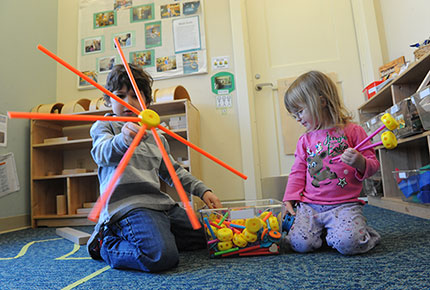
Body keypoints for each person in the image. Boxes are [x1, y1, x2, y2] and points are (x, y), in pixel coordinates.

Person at [87, 64, 222, 272]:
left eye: (135, 96)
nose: (127, 103)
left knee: (213, 236)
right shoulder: (104, 127)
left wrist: (203, 190)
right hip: (128, 208)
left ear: (146, 103)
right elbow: (101, 153)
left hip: (162, 207)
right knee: (160, 256)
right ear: (108, 100)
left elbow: (174, 173)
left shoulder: (156, 135)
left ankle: (159, 234)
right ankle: (107, 243)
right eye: (120, 95)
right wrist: (123, 140)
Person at [282, 70, 381, 255]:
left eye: (300, 111)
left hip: (344, 205)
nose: (297, 118)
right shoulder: (305, 140)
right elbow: (297, 172)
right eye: (294, 114)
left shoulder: (353, 131)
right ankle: (330, 234)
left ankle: (364, 233)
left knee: (349, 244)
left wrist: (360, 162)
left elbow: (373, 165)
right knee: (298, 244)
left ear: (322, 101)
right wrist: (289, 198)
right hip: (310, 205)